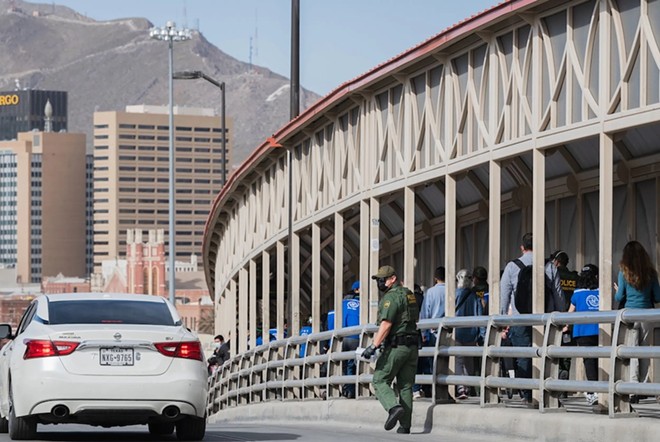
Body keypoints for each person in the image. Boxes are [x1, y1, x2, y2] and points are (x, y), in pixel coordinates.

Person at [361, 265, 419, 434]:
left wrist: (373, 346)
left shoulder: (391, 297)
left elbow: (386, 324)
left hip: (396, 346)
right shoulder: (409, 294)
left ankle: (393, 408)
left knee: (379, 380)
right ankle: (405, 426)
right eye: (378, 280)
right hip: (412, 346)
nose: (380, 283)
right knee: (406, 386)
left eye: (382, 279)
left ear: (393, 279)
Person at [614, 240, 660, 386]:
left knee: (632, 349)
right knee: (645, 350)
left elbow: (619, 297)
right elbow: (658, 297)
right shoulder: (651, 273)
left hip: (630, 314)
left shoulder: (624, 272)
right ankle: (644, 384)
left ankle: (633, 385)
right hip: (647, 314)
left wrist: (616, 290)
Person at [499, 232, 535, 407]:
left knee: (523, 356)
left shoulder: (512, 266)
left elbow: (504, 295)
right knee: (546, 354)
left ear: (522, 247)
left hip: (519, 319)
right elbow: (557, 294)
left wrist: (503, 319)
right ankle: (546, 389)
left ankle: (526, 393)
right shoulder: (548, 265)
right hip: (544, 320)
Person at [563, 264, 599, 406]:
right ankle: (598, 389)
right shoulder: (601, 292)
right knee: (599, 359)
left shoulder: (577, 293)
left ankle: (593, 391)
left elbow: (570, 313)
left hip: (583, 331)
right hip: (599, 330)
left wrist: (565, 326)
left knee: (589, 361)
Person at [415, 266, 446, 399]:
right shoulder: (453, 291)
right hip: (450, 331)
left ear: (435, 278)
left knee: (431, 361)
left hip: (433, 331)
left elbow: (425, 313)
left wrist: (423, 333)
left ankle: (430, 388)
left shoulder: (430, 292)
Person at [454, 269, 484, 399]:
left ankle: (461, 388)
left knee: (459, 360)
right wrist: (481, 334)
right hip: (471, 332)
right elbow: (479, 316)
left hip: (457, 331)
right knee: (469, 361)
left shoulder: (454, 295)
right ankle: (468, 386)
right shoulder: (474, 296)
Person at [342, 281, 360, 398]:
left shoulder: (343, 303)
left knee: (346, 364)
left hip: (344, 337)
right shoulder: (362, 303)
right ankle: (356, 389)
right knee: (356, 364)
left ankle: (348, 389)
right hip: (357, 337)